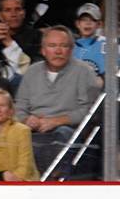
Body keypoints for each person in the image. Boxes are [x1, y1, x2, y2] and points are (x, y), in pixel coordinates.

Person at [15, 25, 100, 174]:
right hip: (34, 130)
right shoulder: (32, 72)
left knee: (61, 134)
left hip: (67, 133)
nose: (58, 51)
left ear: (71, 50)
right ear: (43, 50)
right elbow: (19, 107)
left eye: (63, 46)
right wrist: (27, 119)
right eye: (52, 46)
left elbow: (90, 112)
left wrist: (56, 121)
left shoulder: (84, 72)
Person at [0, 88, 39, 180]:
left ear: (10, 111)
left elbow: (25, 168)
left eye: (2, 105)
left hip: (22, 184)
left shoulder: (22, 131)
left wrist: (11, 181)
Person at [0, 0, 42, 88]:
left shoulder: (37, 37)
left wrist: (9, 43)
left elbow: (33, 70)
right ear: (0, 15)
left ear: (24, 13)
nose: (13, 14)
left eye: (18, 9)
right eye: (8, 10)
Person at [73, 3, 109, 82]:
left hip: (103, 92)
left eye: (92, 20)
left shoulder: (108, 44)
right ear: (77, 24)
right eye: (84, 19)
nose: (87, 23)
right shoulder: (69, 47)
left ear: (99, 24)